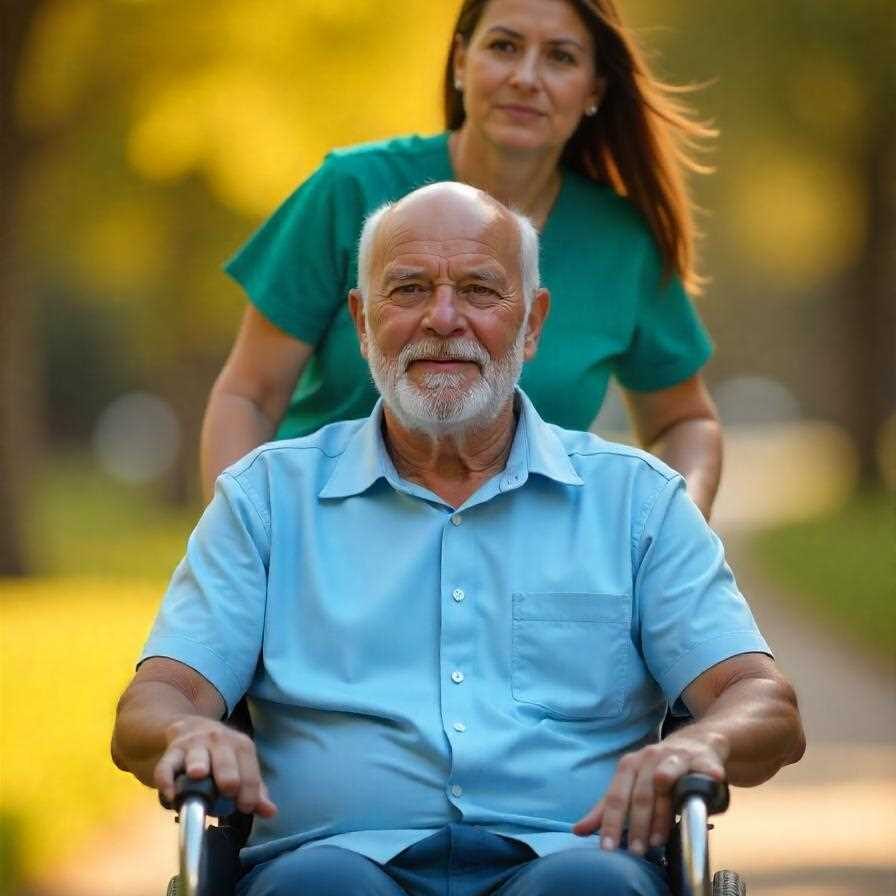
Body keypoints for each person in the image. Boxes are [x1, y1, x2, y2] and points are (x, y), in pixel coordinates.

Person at [113, 184, 805, 896]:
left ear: (533, 325)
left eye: (479, 291)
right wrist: (182, 734)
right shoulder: (265, 500)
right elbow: (155, 699)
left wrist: (704, 740)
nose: (443, 320)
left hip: (574, 863)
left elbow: (764, 701)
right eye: (408, 289)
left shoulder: (638, 501)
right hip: (329, 863)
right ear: (361, 321)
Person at [200, 0, 723, 519]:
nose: (525, 77)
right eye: (503, 46)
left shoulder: (622, 244)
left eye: (560, 57)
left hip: (519, 572)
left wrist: (675, 539)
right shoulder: (351, 192)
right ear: (459, 62)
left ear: (594, 90)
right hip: (324, 559)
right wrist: (245, 549)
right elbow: (251, 394)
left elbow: (684, 423)